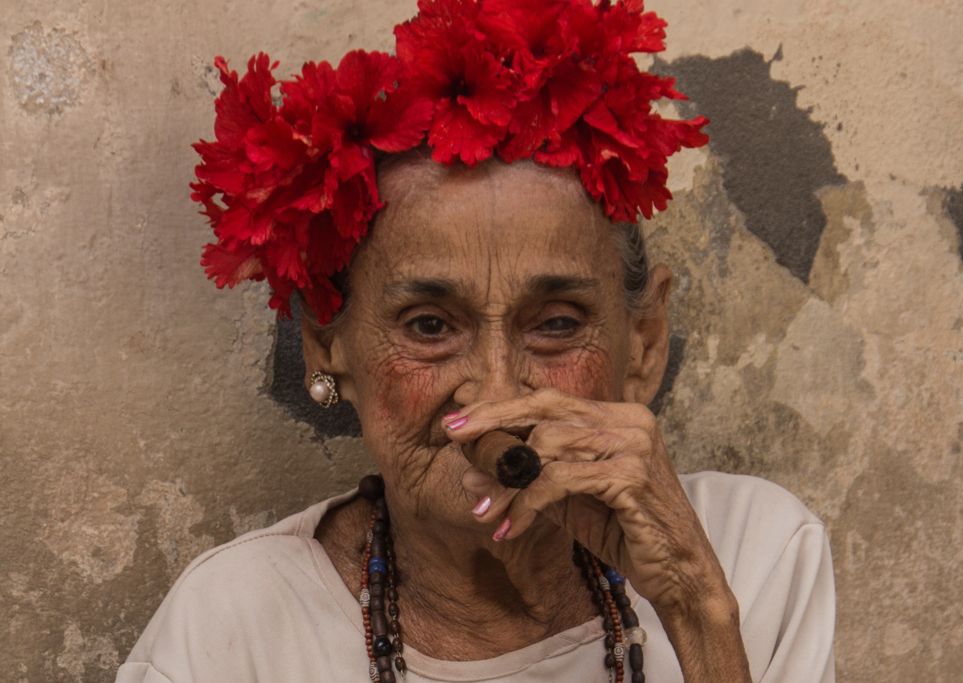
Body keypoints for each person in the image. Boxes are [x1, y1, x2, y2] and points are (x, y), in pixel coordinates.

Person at [116, 2, 835, 682]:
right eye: (429, 326)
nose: (497, 393)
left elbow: (708, 601)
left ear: (644, 345)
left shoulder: (752, 557)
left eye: (556, 323)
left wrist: (697, 612)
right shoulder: (235, 627)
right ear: (326, 349)